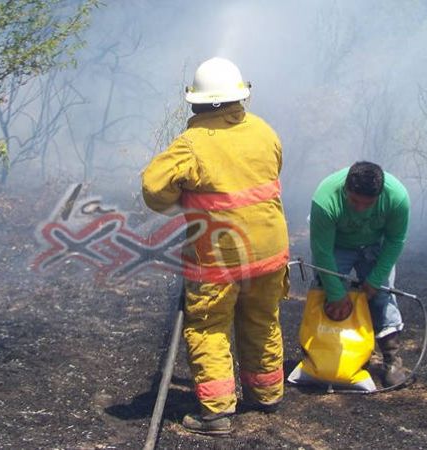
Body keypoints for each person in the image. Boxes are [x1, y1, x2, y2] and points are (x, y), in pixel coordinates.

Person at [142, 57, 289, 435]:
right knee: (262, 319)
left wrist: (181, 196)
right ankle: (267, 392)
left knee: (209, 327)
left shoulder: (192, 144)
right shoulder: (264, 132)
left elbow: (153, 189)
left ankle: (217, 414)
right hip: (271, 251)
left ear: (197, 102)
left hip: (219, 259)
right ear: (240, 96)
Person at [309, 161, 410, 388]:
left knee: (383, 296)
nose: (360, 208)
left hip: (376, 245)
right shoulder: (325, 199)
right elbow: (322, 251)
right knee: (325, 292)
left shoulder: (397, 198)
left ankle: (392, 361)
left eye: (368, 203)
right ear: (346, 189)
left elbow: (395, 241)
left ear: (380, 194)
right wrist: (335, 293)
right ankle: (324, 355)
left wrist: (375, 280)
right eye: (354, 201)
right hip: (337, 246)